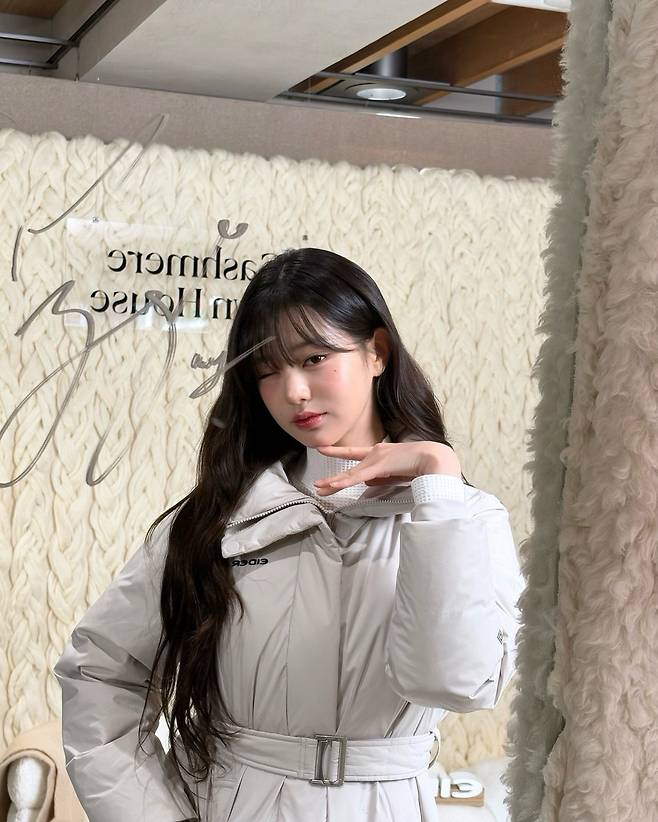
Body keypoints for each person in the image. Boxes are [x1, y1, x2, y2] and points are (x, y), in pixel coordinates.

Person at [53, 247, 525, 822]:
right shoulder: (214, 521)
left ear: (377, 352)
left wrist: (438, 477)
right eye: (268, 370)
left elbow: (455, 683)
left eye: (314, 358)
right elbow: (100, 673)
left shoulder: (463, 517)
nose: (294, 390)